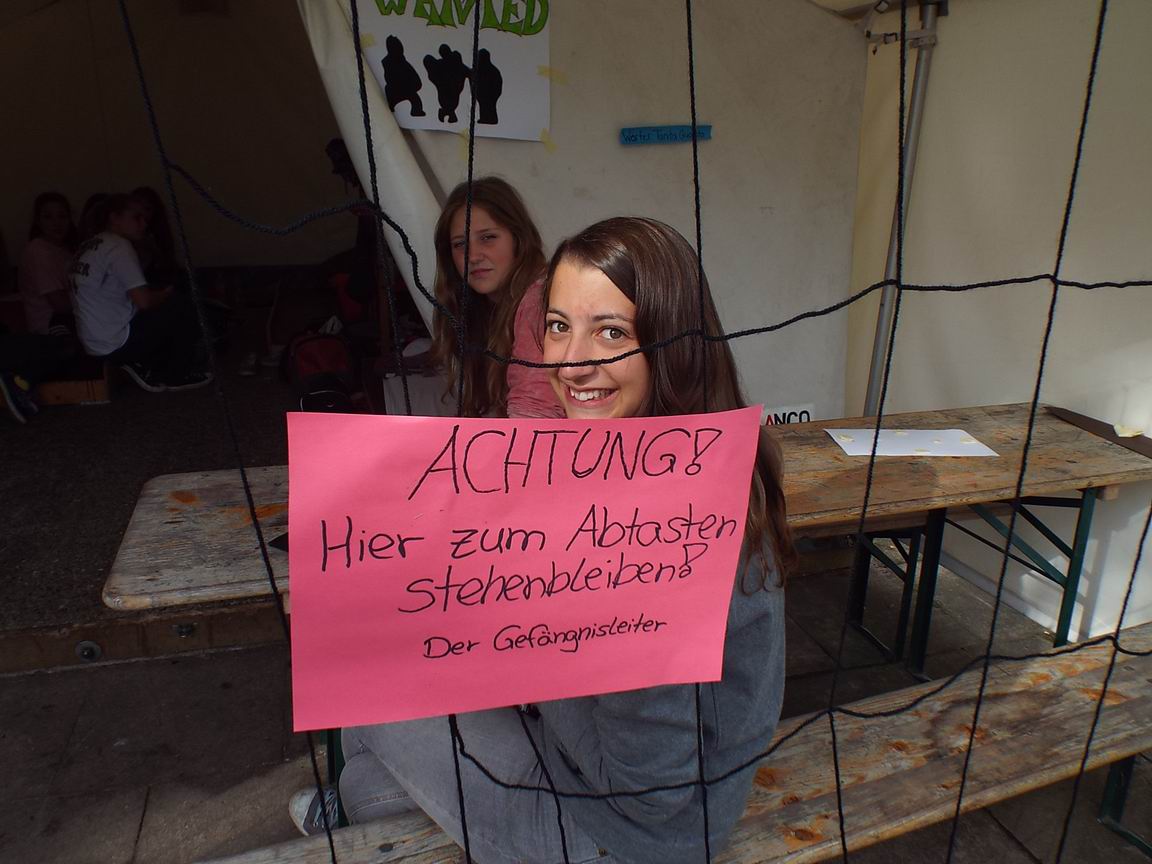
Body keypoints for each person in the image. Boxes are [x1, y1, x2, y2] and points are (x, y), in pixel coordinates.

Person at [293, 217, 795, 863]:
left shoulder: (663, 532)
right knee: (371, 749)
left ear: (674, 345)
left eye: (611, 332)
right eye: (558, 326)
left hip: (628, 837)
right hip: (611, 780)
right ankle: (371, 804)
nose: (571, 361)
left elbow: (652, 796)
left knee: (366, 684)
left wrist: (527, 650)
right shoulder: (665, 460)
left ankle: (373, 810)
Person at [429, 176, 562, 419]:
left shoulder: (539, 297)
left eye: (487, 238)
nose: (473, 256)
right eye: (460, 244)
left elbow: (534, 414)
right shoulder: (477, 309)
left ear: (518, 238)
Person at [70, 194, 210, 392]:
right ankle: (176, 375)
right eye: (136, 218)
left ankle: (146, 364)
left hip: (93, 345)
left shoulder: (89, 245)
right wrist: (165, 294)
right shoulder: (118, 246)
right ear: (115, 218)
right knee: (181, 305)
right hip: (116, 342)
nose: (144, 224)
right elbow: (144, 301)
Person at [18, 192, 77, 335]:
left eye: (62, 216)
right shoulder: (38, 251)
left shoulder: (66, 250)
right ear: (38, 221)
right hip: (50, 327)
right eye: (48, 217)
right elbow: (60, 304)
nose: (57, 223)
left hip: (71, 319)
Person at [129, 186, 177, 286]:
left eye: (147, 208)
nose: (143, 213)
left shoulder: (157, 237)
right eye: (138, 208)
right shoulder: (121, 241)